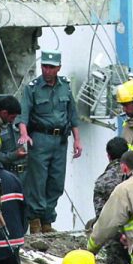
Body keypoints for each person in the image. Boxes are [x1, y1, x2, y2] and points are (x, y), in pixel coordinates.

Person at [20, 49, 81, 233]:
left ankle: (48, 220)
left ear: (58, 68)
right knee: (38, 181)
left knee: (56, 181)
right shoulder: (32, 88)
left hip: (61, 140)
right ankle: (35, 221)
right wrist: (24, 134)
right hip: (40, 138)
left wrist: (77, 140)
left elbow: (73, 115)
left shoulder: (65, 87)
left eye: (51, 67)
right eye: (45, 66)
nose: (47, 70)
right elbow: (24, 115)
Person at [91, 137, 132, 264]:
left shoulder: (102, 182)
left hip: (116, 242)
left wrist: (120, 234)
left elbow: (103, 219)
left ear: (108, 155)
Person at [0, 95, 29, 173]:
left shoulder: (20, 122)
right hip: (6, 172)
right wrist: (14, 155)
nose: (12, 121)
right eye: (12, 117)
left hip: (25, 173)